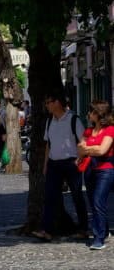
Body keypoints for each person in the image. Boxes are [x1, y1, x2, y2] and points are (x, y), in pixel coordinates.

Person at [33, 93, 88, 242]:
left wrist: (79, 159)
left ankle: (83, 229)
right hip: (54, 163)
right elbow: (48, 145)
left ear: (57, 102)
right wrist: (46, 165)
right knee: (50, 196)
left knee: (77, 195)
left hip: (71, 162)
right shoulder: (50, 121)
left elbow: (83, 141)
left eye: (48, 102)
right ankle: (47, 230)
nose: (46, 105)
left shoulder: (73, 119)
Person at [77, 100, 114, 250]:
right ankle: (104, 230)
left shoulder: (110, 130)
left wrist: (88, 148)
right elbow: (80, 149)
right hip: (90, 170)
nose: (88, 114)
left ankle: (99, 238)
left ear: (98, 113)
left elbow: (102, 151)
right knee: (93, 203)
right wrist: (92, 149)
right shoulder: (88, 131)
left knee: (99, 201)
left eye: (91, 111)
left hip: (105, 170)